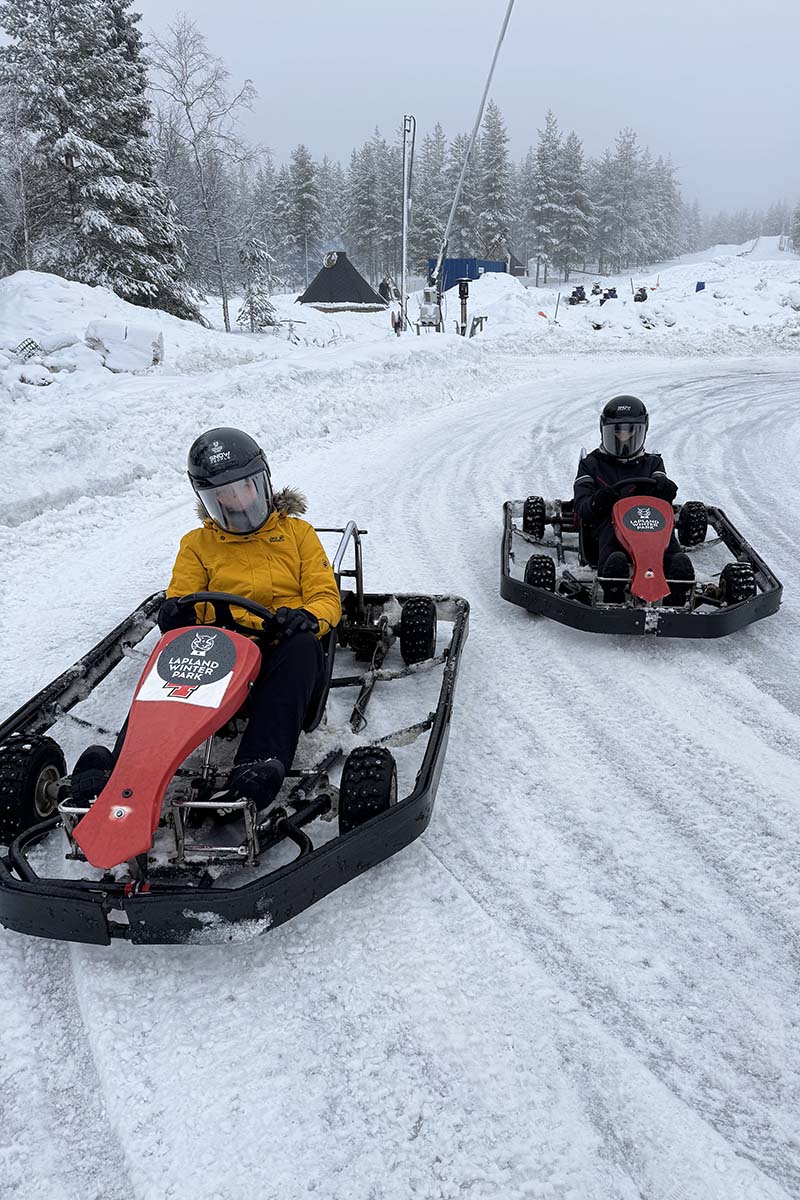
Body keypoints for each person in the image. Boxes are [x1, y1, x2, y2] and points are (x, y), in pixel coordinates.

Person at [70, 427, 341, 826]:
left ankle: (257, 766)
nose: (236, 503)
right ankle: (122, 768)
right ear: (208, 501)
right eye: (223, 497)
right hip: (221, 653)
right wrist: (175, 614)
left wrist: (307, 617)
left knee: (303, 647)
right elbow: (182, 595)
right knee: (174, 653)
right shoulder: (197, 544)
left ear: (262, 484)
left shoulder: (298, 535)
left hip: (280, 647)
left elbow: (325, 596)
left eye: (243, 490)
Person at [573, 396, 694, 603]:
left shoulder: (653, 463)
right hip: (608, 524)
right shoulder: (591, 464)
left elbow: (660, 489)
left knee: (668, 542)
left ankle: (677, 587)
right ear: (605, 430)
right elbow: (582, 507)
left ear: (641, 431)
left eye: (630, 431)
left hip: (649, 523)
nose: (624, 437)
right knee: (611, 544)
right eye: (617, 431)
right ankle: (613, 586)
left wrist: (665, 490)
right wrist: (599, 500)